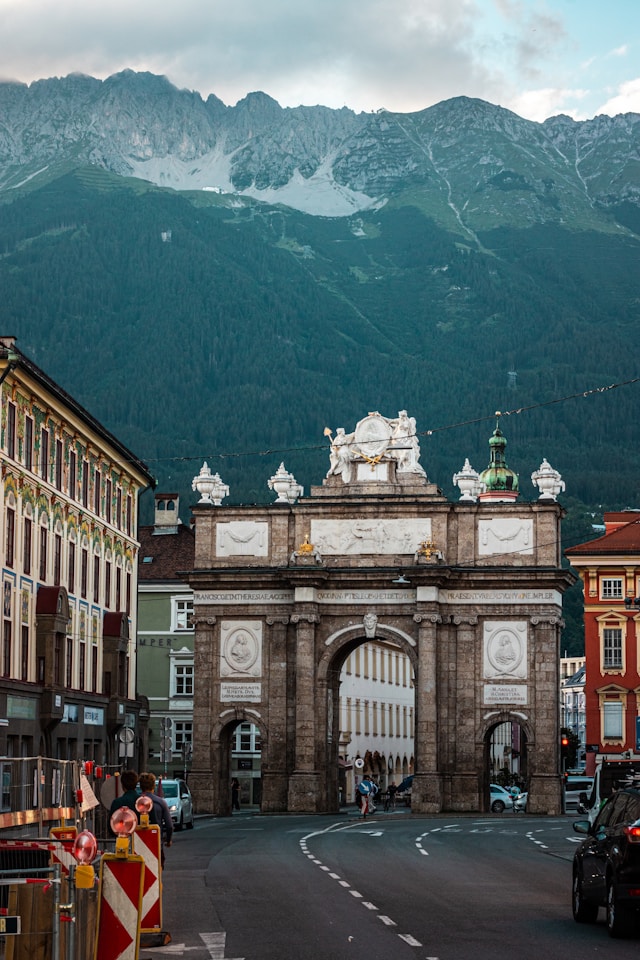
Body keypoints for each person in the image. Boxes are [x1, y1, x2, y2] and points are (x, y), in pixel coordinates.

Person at [139, 772, 173, 868]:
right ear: (153, 786)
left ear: (141, 786)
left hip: (138, 843)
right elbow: (169, 825)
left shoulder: (137, 802)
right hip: (156, 842)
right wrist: (168, 839)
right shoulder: (160, 802)